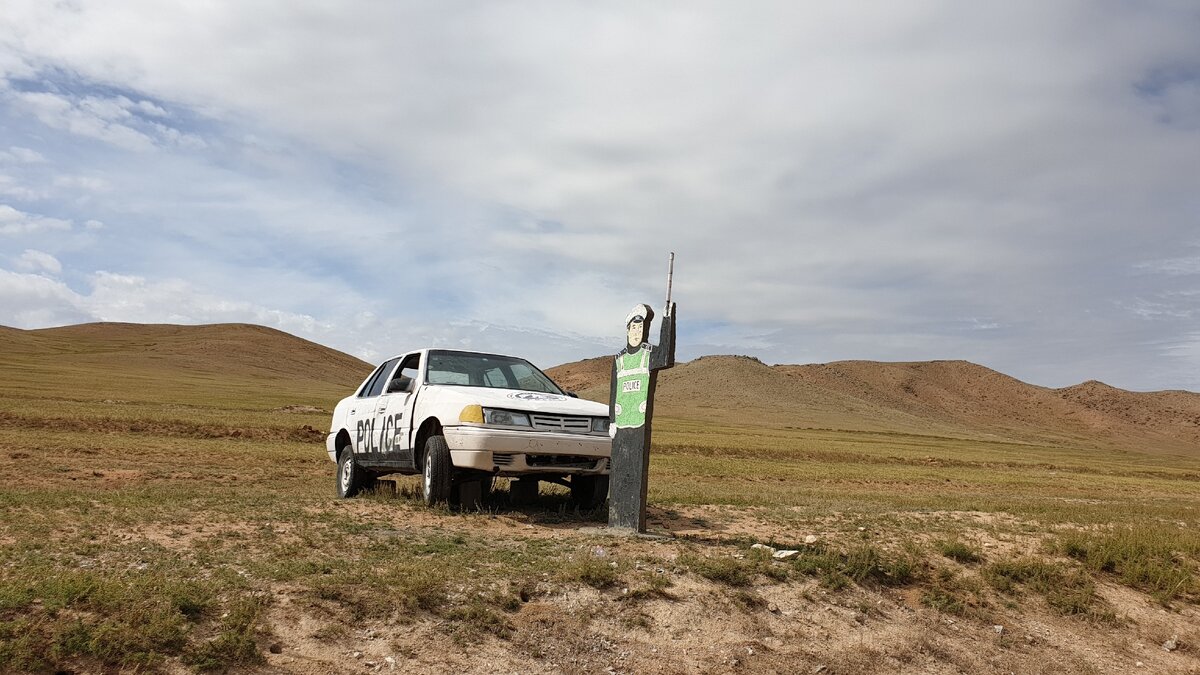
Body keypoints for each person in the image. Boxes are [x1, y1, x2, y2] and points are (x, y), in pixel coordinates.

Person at [608, 301, 676, 532]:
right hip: (620, 424)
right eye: (633, 328)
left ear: (645, 330)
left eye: (640, 328)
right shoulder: (618, 360)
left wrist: (668, 320)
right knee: (619, 471)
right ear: (627, 330)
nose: (636, 333)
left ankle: (631, 522)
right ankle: (617, 520)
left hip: (638, 421)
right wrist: (611, 421)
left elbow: (666, 355)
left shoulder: (649, 355)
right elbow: (613, 392)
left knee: (635, 472)